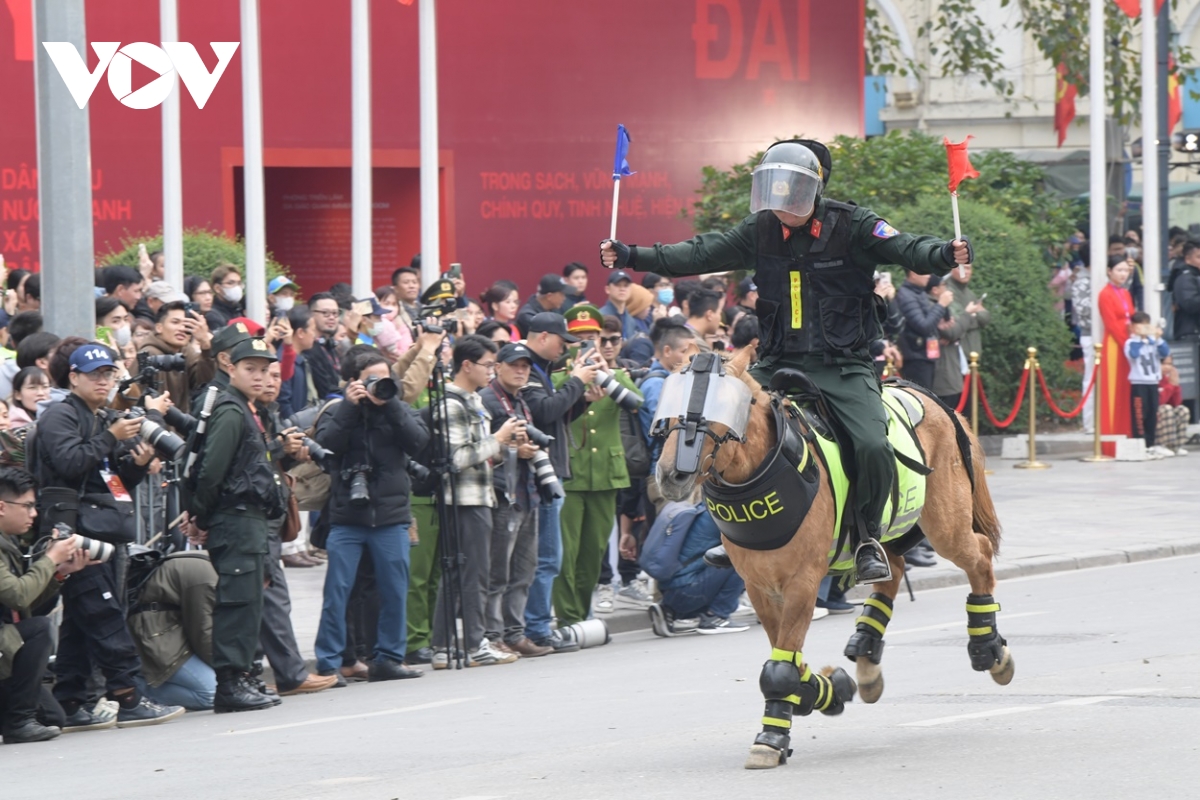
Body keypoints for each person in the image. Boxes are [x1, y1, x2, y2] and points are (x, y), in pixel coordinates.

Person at [600, 138, 970, 583]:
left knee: (872, 445)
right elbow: (698, 253)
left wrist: (945, 254)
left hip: (843, 365)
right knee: (720, 423)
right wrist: (631, 255)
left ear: (813, 191)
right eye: (773, 189)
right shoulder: (760, 229)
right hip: (775, 362)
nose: (779, 202)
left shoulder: (853, 224)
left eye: (790, 191)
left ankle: (868, 537)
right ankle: (730, 532)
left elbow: (908, 248)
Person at [32, 342, 183, 729]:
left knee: (83, 620)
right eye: (95, 374)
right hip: (73, 532)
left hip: (101, 528)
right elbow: (68, 464)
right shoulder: (59, 417)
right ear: (74, 377)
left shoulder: (99, 418)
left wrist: (137, 465)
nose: (103, 381)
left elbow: (108, 482)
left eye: (109, 374)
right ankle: (129, 696)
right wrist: (112, 437)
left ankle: (69, 700)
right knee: (103, 614)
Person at [313, 350, 431, 681]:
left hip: (392, 518)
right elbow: (325, 450)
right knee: (337, 592)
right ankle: (328, 663)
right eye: (372, 379)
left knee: (395, 590)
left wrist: (389, 403)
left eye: (385, 377)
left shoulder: (400, 409)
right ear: (353, 382)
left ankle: (389, 659)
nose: (380, 384)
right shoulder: (338, 411)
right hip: (347, 517)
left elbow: (420, 442)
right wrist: (350, 408)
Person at [190, 337, 285, 712]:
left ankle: (243, 675)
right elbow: (212, 470)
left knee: (250, 602)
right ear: (231, 367)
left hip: (250, 518)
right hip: (235, 516)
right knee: (237, 601)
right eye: (251, 369)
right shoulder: (230, 409)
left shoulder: (246, 407)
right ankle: (230, 683)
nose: (260, 377)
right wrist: (201, 514)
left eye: (264, 370)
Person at [429, 336, 524, 668]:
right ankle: (472, 644)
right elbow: (456, 458)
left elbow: (482, 455)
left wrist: (504, 446)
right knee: (473, 574)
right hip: (463, 499)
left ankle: (443, 647)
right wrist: (497, 439)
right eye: (487, 365)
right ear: (466, 365)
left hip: (478, 494)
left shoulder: (471, 400)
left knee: (460, 573)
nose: (492, 371)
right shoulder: (451, 403)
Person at [552, 308, 640, 627]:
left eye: (592, 338)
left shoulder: (616, 375)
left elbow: (638, 401)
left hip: (605, 474)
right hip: (572, 475)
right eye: (579, 339)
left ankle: (582, 613)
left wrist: (610, 374)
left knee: (593, 552)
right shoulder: (558, 376)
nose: (587, 345)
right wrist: (576, 382)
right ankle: (567, 617)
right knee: (567, 552)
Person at [257, 361, 339, 694]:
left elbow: (268, 462)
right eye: (263, 374)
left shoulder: (269, 413)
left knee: (271, 597)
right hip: (248, 519)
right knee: (268, 597)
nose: (270, 382)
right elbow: (239, 461)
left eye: (277, 376)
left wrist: (291, 455)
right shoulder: (236, 411)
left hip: (269, 516)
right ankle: (285, 674)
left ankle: (283, 673)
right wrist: (279, 448)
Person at [522, 312, 601, 651]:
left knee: (546, 557)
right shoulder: (525, 366)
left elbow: (556, 417)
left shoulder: (541, 369)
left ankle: (532, 627)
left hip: (547, 472)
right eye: (561, 342)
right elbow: (543, 412)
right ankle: (536, 629)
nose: (564, 350)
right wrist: (577, 382)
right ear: (542, 337)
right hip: (536, 477)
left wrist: (582, 400)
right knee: (546, 558)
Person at [0, 467, 91, 743]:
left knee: (52, 719)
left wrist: (60, 572)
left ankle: (18, 718)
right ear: (2, 506)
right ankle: (18, 723)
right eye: (27, 506)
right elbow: (18, 595)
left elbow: (24, 604)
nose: (34, 514)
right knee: (40, 629)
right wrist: (49, 558)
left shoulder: (7, 544)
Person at [479, 342, 553, 657]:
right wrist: (513, 449)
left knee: (524, 570)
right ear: (498, 366)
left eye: (526, 366)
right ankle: (492, 635)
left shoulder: (521, 400)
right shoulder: (486, 400)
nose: (521, 370)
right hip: (501, 495)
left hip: (527, 493)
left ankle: (514, 633)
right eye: (515, 365)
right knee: (498, 571)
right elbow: (479, 448)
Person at [126, 550, 219, 711]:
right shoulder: (206, 577)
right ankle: (134, 691)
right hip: (154, 633)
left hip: (167, 627)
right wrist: (228, 672)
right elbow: (203, 632)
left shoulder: (208, 561)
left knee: (219, 686)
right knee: (215, 693)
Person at [646, 503, 749, 636]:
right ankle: (716, 616)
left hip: (673, 592)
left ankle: (669, 611)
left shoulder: (703, 509)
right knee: (741, 558)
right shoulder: (723, 515)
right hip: (689, 591)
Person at [637, 318, 700, 513]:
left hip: (683, 472)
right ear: (667, 351)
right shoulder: (657, 385)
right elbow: (667, 428)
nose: (691, 358)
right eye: (684, 352)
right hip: (665, 474)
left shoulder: (676, 381)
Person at [138, 301, 216, 417]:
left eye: (187, 324)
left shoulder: (186, 351)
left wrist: (205, 345)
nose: (182, 328)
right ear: (159, 327)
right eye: (175, 322)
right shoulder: (150, 354)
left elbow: (204, 382)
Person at [1124, 312, 1173, 458]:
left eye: (1146, 325)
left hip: (1152, 382)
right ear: (1133, 327)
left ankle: (1150, 444)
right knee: (1140, 414)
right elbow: (1133, 354)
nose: (1144, 329)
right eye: (1140, 326)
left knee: (1152, 414)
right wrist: (1141, 338)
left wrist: (1157, 338)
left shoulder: (1154, 341)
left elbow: (1165, 352)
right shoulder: (1130, 342)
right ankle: (1140, 444)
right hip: (1139, 383)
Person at [1099, 256, 1135, 438]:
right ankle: (1112, 435)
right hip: (1115, 344)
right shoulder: (1105, 294)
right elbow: (1111, 323)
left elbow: (1133, 318)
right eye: (1119, 270)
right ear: (1109, 271)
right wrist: (1126, 343)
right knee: (1114, 389)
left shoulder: (1126, 293)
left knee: (1127, 388)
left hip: (1129, 343)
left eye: (1125, 270)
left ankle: (1127, 432)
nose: (1123, 274)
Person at [897, 271, 953, 390]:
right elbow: (923, 326)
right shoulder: (906, 296)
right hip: (915, 358)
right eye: (925, 272)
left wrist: (938, 328)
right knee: (921, 399)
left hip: (925, 355)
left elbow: (927, 322)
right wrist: (941, 304)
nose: (928, 276)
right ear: (912, 273)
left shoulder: (919, 292)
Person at [306, 292, 345, 400]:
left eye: (335, 313)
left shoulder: (332, 347)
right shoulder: (308, 349)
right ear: (311, 315)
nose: (332, 317)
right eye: (325, 313)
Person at [1157, 357, 1192, 456]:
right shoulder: (1153, 380)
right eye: (1164, 364)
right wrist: (1171, 386)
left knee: (1182, 410)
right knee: (1166, 408)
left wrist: (1176, 385)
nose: (1167, 367)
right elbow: (1159, 401)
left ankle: (1175, 446)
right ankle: (1161, 445)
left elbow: (1176, 403)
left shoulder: (1168, 380)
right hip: (1155, 414)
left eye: (1170, 364)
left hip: (1166, 414)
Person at [516, 274, 568, 338]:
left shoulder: (555, 309)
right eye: (562, 294)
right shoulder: (528, 316)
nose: (564, 298)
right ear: (549, 296)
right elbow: (545, 341)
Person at [599, 270, 643, 340]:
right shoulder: (600, 316)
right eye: (617, 285)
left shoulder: (631, 321)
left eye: (626, 285)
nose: (622, 289)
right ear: (607, 289)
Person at [1172, 240, 1200, 340]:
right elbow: (1190, 303)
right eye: (1199, 257)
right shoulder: (1184, 277)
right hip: (1191, 334)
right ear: (1188, 259)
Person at [685, 287, 724, 355]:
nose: (720, 319)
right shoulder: (697, 344)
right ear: (710, 315)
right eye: (719, 313)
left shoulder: (680, 333)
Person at [206, 264, 246, 330]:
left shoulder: (238, 310)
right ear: (217, 288)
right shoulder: (212, 315)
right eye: (230, 283)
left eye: (239, 283)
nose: (236, 287)